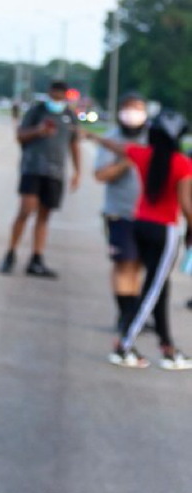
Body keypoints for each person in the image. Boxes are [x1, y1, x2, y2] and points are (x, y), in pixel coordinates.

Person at [102, 110, 192, 370]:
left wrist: (88, 135)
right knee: (152, 291)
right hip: (165, 231)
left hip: (140, 224)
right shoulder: (182, 163)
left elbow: (117, 145)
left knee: (159, 289)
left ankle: (167, 347)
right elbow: (186, 204)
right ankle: (123, 345)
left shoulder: (144, 155)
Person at [1, 77, 81, 277]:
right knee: (26, 210)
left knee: (44, 216)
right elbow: (20, 135)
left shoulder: (69, 116)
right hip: (33, 168)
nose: (57, 96)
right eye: (55, 92)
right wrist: (38, 131)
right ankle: (10, 252)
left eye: (61, 93)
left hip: (55, 172)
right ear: (49, 92)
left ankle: (36, 258)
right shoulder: (37, 111)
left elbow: (74, 144)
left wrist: (77, 171)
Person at [90, 93, 150, 344]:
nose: (132, 113)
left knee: (138, 265)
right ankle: (126, 313)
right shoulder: (112, 139)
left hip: (147, 214)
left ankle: (133, 311)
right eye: (128, 109)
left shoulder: (151, 139)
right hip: (119, 212)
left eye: (137, 109)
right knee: (124, 263)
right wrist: (127, 162)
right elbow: (101, 175)